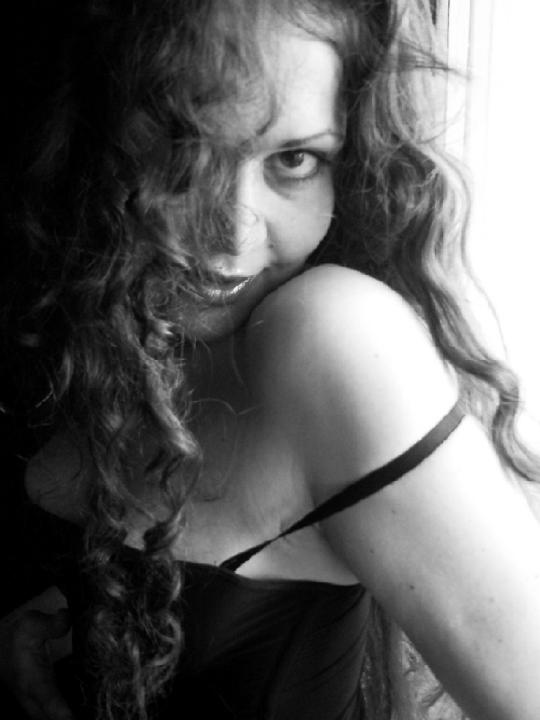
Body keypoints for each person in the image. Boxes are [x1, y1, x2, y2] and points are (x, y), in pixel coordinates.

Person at [1, 0, 540, 719]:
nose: (231, 236)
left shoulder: (333, 334)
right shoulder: (93, 334)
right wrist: (94, 628)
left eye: (294, 160)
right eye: (184, 153)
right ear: (96, 133)